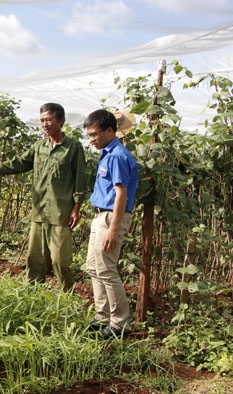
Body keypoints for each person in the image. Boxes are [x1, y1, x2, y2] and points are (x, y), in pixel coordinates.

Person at [0, 103, 86, 292]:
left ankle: (68, 297)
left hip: (60, 212)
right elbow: (19, 163)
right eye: (42, 120)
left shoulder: (73, 147)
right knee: (35, 259)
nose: (45, 124)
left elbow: (80, 178)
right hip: (39, 211)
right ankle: (33, 296)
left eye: (49, 120)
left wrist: (77, 208)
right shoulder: (39, 147)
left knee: (59, 260)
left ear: (61, 121)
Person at [83, 109, 138, 339]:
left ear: (109, 131)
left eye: (95, 134)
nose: (92, 139)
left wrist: (113, 229)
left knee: (106, 269)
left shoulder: (116, 156)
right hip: (101, 216)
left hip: (110, 217)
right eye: (89, 135)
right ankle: (102, 316)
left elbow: (121, 194)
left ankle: (119, 323)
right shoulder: (108, 153)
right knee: (93, 267)